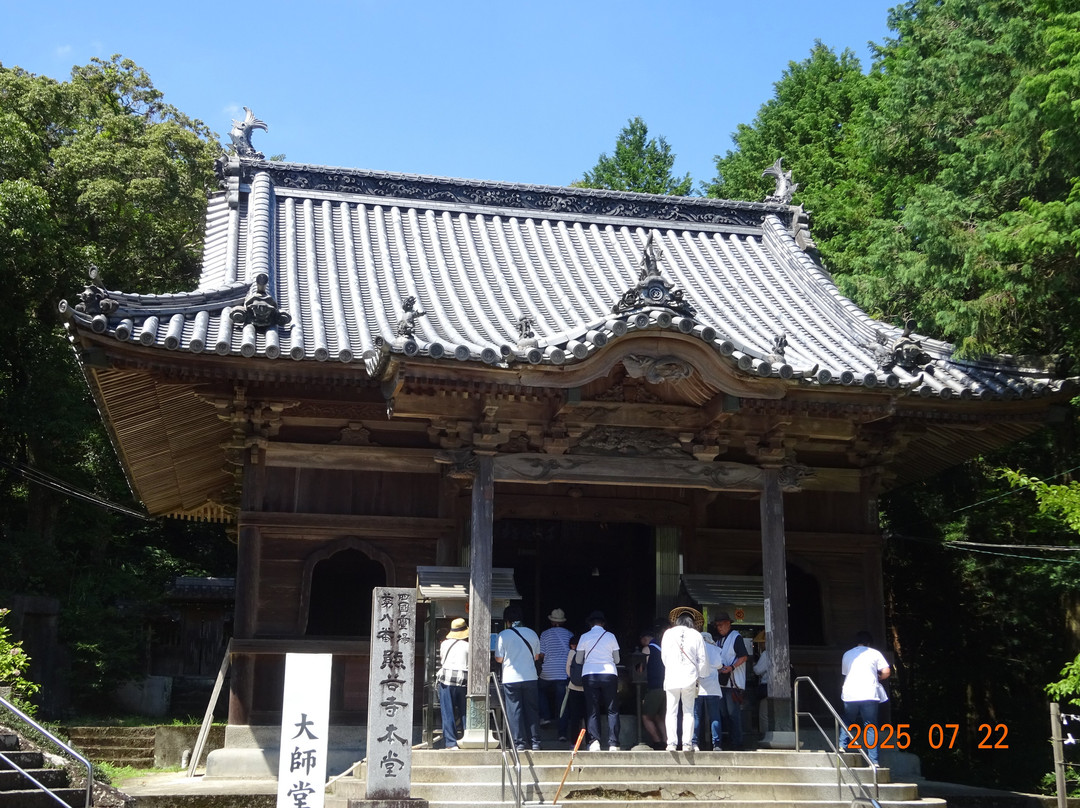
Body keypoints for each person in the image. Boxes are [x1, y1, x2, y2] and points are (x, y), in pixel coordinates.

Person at [661, 608, 709, 752]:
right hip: (689, 676)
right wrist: (702, 673)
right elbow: (702, 658)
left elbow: (664, 657)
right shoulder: (696, 635)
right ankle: (687, 743)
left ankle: (671, 743)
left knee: (671, 711)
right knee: (688, 711)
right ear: (692, 622)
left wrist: (671, 667)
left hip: (671, 676)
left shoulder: (668, 634)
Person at [840, 631, 891, 766]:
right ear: (869, 643)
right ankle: (873, 760)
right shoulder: (874, 653)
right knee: (870, 725)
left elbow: (845, 672)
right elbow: (886, 671)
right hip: (869, 693)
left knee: (848, 719)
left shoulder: (847, 654)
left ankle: (842, 745)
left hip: (850, 693)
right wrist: (878, 677)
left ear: (857, 642)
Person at [495, 604, 542, 751]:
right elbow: (536, 656)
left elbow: (498, 658)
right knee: (532, 709)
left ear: (507, 620)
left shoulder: (503, 635)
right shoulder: (532, 633)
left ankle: (519, 743)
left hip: (511, 678)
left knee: (514, 710)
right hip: (530, 677)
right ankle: (535, 742)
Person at [576, 610, 621, 751]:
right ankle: (613, 743)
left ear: (590, 623)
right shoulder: (611, 636)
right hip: (609, 674)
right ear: (603, 623)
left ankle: (594, 742)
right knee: (612, 709)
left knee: (592, 708)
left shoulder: (584, 637)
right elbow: (618, 659)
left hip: (589, 674)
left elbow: (578, 660)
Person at [714, 612, 749, 750]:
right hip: (722, 682)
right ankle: (731, 740)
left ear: (728, 623)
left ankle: (737, 742)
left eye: (721, 624)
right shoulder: (718, 641)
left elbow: (744, 657)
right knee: (724, 713)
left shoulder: (736, 637)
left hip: (733, 682)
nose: (719, 627)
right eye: (717, 625)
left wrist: (731, 667)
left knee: (733, 713)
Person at [537, 608, 573, 741]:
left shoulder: (545, 634)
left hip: (547, 672)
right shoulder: (569, 634)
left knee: (540, 690)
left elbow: (541, 654)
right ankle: (562, 734)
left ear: (551, 621)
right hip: (563, 673)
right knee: (562, 704)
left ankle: (545, 716)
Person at [437, 617, 469, 749]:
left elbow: (442, 659)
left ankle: (451, 742)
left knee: (448, 711)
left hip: (446, 680)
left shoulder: (444, 644)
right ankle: (468, 738)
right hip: (463, 681)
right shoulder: (468, 646)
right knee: (465, 711)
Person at [693, 630, 724, 751]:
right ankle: (716, 744)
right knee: (715, 716)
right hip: (713, 687)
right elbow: (719, 665)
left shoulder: (696, 648)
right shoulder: (715, 649)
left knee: (696, 716)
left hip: (698, 686)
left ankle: (694, 742)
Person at [638, 626, 666, 748]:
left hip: (654, 687)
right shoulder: (663, 649)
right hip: (666, 686)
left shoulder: (647, 649)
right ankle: (667, 741)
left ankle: (657, 741)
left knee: (646, 716)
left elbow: (640, 670)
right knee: (660, 717)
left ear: (644, 639)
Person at [563, 634, 586, 742]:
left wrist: (572, 678)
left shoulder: (572, 652)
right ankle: (590, 741)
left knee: (574, 716)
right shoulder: (588, 652)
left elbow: (568, 668)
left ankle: (574, 741)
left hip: (574, 687)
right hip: (587, 687)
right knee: (588, 715)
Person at [752, 631, 769, 733]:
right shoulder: (778, 650)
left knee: (764, 714)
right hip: (780, 687)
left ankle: (765, 735)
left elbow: (758, 670)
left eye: (762, 642)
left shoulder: (766, 654)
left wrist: (754, 665)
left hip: (767, 686)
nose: (761, 645)